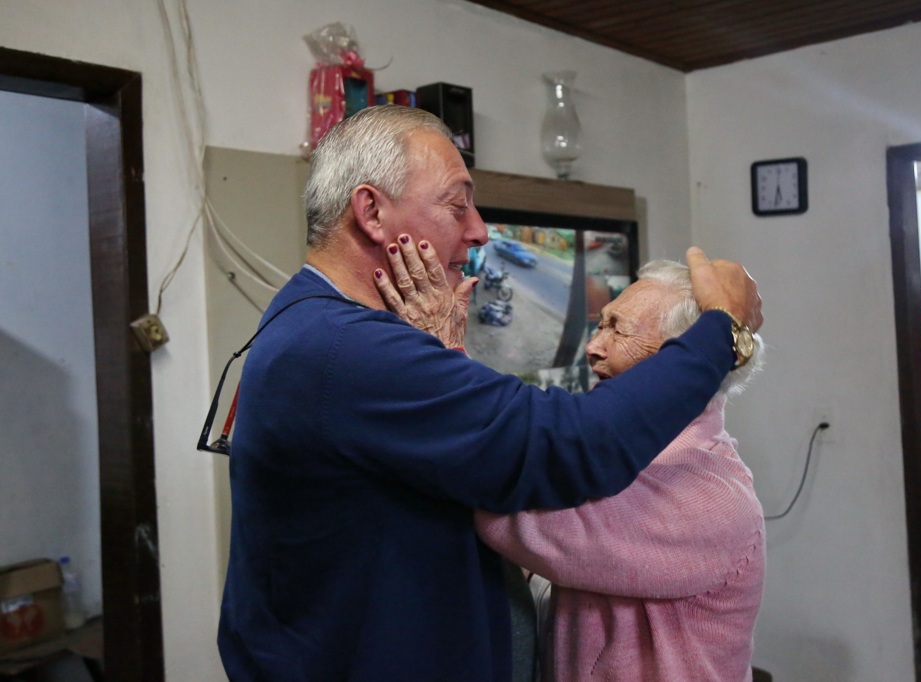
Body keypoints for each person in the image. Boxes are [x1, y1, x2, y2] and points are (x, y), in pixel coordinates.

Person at [216, 104, 763, 682]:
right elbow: (564, 446)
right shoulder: (346, 348)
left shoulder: (327, 330)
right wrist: (719, 331)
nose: (479, 230)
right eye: (458, 205)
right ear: (372, 212)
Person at [475, 259, 766, 682]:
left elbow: (522, 519)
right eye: (601, 325)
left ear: (681, 361)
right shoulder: (629, 455)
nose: (594, 346)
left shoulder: (712, 494)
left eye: (618, 329)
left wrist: (435, 368)